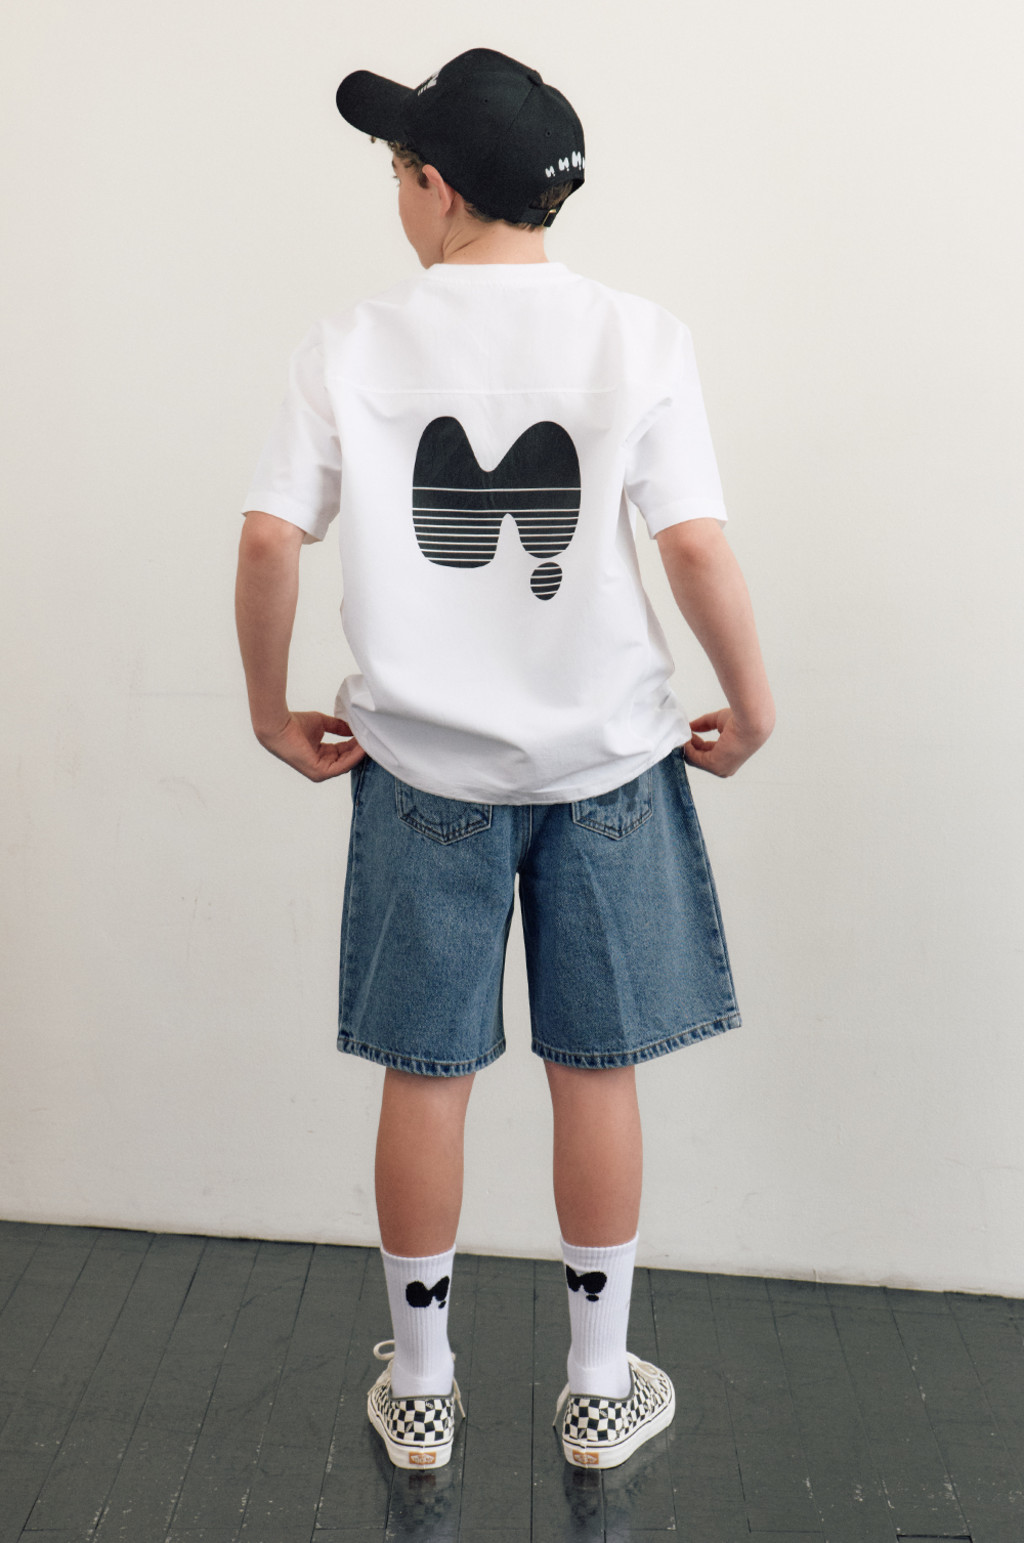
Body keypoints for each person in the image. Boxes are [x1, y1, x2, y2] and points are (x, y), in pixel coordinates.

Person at [235, 46, 774, 1474]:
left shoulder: (351, 344)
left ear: (437, 185)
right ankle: (597, 1388)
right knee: (596, 1070)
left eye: (396, 172)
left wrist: (269, 710)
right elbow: (696, 546)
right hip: (609, 768)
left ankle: (423, 1388)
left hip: (423, 777)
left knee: (427, 1074)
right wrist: (751, 704)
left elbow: (269, 537)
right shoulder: (638, 336)